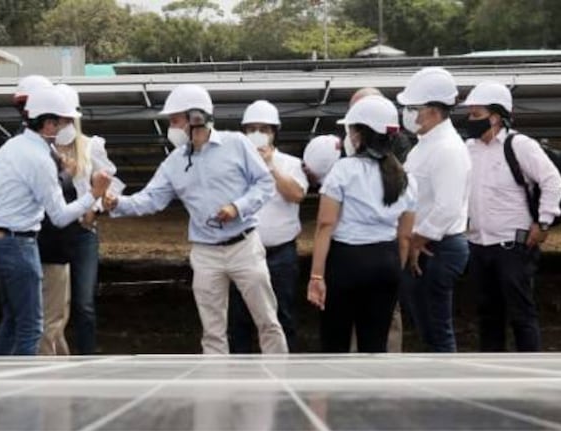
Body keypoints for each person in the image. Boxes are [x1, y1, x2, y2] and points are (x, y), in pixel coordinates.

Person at [102, 84, 286, 355]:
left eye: (175, 120)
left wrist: (238, 207)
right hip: (205, 252)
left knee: (267, 320)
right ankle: (216, 388)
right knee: (212, 330)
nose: (171, 127)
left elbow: (264, 184)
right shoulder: (175, 161)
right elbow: (151, 198)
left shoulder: (236, 144)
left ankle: (280, 380)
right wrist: (118, 203)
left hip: (244, 245)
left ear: (196, 117)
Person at [0, 85, 111, 355]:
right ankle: (23, 390)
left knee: (12, 321)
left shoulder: (8, 149)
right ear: (48, 123)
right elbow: (59, 216)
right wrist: (93, 195)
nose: (65, 128)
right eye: (62, 122)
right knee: (30, 326)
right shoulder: (39, 159)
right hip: (19, 243)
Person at [306, 95, 415, 353]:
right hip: (386, 261)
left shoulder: (343, 170)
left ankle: (334, 393)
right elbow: (405, 238)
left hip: (346, 261)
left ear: (360, 134)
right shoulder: (406, 178)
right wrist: (395, 272)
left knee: (335, 343)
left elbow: (325, 225)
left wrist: (317, 275)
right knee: (376, 345)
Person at [464, 81, 561, 353]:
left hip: (512, 246)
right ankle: (492, 373)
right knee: (487, 314)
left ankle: (529, 370)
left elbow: (552, 180)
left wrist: (544, 221)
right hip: (478, 244)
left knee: (520, 313)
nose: (470, 120)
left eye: (476, 114)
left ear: (495, 117)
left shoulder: (519, 145)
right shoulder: (468, 148)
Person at [397, 67, 471, 353]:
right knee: (427, 326)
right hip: (425, 244)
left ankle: (448, 393)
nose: (408, 114)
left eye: (412, 108)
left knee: (437, 328)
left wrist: (417, 239)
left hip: (437, 247)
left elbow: (448, 206)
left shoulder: (447, 148)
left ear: (432, 111)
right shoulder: (425, 145)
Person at [39, 83, 116, 356]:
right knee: (55, 303)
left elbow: (111, 184)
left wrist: (95, 209)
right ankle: (55, 354)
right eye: (59, 119)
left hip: (83, 231)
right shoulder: (41, 150)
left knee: (83, 302)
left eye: (68, 119)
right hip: (53, 233)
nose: (64, 125)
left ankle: (86, 356)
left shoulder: (91, 146)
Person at [228, 100, 307, 354]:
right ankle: (240, 375)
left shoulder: (291, 163)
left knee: (281, 312)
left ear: (275, 132)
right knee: (240, 316)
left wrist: (271, 166)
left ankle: (283, 370)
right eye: (251, 128)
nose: (257, 134)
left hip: (281, 253)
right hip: (243, 251)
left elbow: (296, 194)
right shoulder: (234, 165)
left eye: (264, 128)